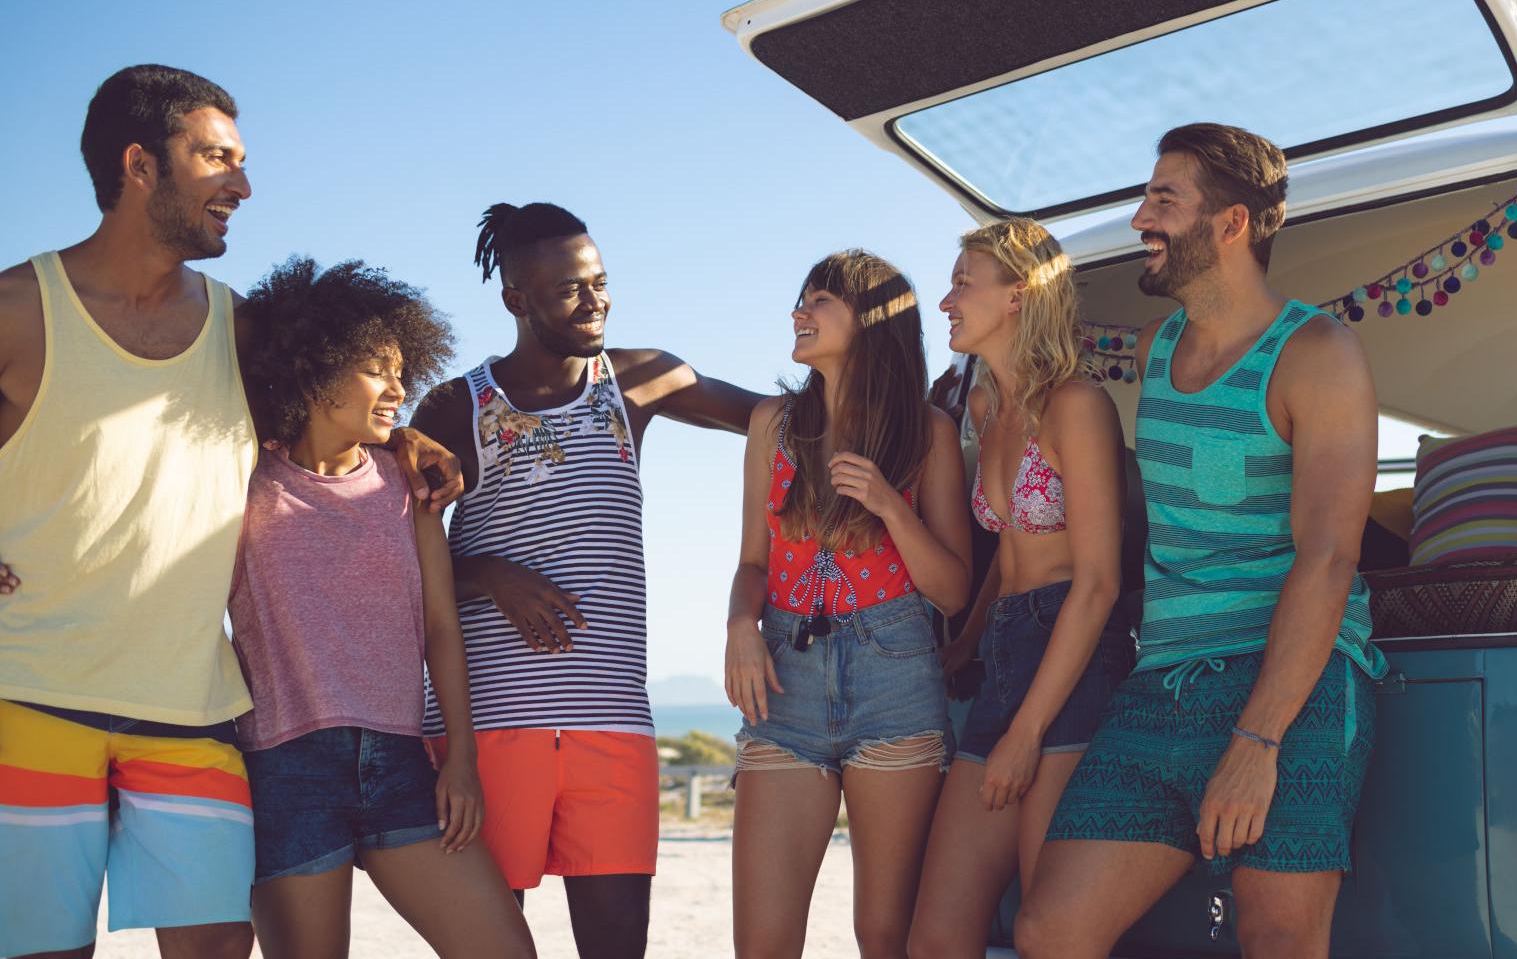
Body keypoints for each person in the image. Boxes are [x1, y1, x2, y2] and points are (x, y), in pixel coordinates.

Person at [0, 65, 457, 959]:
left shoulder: (241, 333)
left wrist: (410, 444)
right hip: (30, 697)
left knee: (218, 948)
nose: (241, 186)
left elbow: (335, 414)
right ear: (140, 164)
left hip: (195, 707)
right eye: (216, 159)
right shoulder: (19, 312)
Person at [1015, 123, 1390, 959]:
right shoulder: (1156, 353)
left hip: (1294, 686)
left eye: (1163, 200)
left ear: (1232, 225)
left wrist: (1257, 743)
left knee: (1279, 940)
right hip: (1165, 684)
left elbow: (1330, 557)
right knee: (1049, 930)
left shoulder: (1317, 352)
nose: (1140, 217)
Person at [407, 201, 761, 958]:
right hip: (491, 725)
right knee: (492, 944)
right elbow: (396, 557)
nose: (595, 299)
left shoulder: (639, 380)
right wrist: (490, 574)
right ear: (517, 300)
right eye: (570, 288)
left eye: (599, 281)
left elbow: (773, 421)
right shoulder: (455, 407)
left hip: (614, 720)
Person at [226, 256, 534, 958]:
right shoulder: (246, 474)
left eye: (402, 367)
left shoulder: (405, 479)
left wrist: (459, 759)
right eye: (377, 368)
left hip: (401, 763)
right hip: (284, 766)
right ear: (314, 365)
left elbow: (439, 628)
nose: (399, 388)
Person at [724, 250, 971, 958]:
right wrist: (740, 622)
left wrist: (892, 506)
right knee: (763, 943)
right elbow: (751, 563)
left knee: (884, 936)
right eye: (801, 298)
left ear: (873, 319)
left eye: (820, 300)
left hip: (895, 677)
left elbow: (952, 590)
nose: (799, 312)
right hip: (782, 682)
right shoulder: (773, 424)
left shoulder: (928, 432)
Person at [906, 219, 1133, 958]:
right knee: (937, 938)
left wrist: (1027, 733)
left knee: (1051, 933)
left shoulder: (1078, 405)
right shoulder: (985, 409)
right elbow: (1012, 552)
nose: (946, 301)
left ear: (1018, 295)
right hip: (1006, 652)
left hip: (1070, 656)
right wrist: (965, 645)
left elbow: (1097, 583)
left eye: (963, 283)